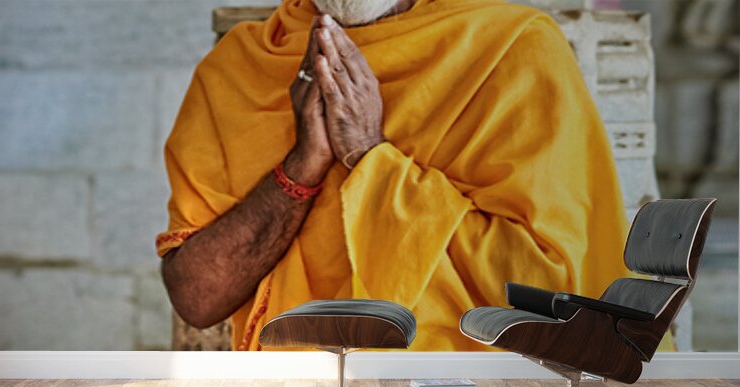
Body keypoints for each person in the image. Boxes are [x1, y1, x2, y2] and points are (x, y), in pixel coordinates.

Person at [155, 0, 631, 351]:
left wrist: (367, 157)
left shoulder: (513, 48)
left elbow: (543, 291)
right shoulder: (238, 69)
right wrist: (304, 163)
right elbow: (199, 297)